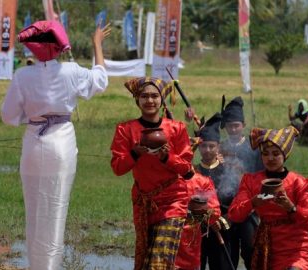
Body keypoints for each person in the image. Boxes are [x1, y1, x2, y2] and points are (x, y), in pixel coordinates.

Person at [0, 20, 111, 270]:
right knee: (56, 209)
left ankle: (37, 266)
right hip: (61, 140)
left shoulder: (22, 76)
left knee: (34, 211)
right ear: (60, 45)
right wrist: (97, 45)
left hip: (33, 139)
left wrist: (29, 116)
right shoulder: (71, 71)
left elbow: (8, 117)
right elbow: (100, 80)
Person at [110, 77, 194, 270]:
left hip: (173, 200)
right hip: (143, 202)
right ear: (137, 100)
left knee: (158, 261)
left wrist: (167, 158)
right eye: (144, 96)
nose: (150, 101)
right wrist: (134, 153)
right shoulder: (126, 129)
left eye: (154, 96)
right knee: (144, 262)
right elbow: (117, 168)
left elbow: (187, 169)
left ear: (162, 99)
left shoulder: (177, 128)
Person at [228, 126, 308, 269]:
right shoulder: (251, 180)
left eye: (276, 154)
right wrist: (253, 202)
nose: (270, 158)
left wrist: (291, 208)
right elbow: (234, 214)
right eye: (265, 154)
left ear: (284, 155)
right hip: (266, 249)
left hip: (296, 249)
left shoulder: (299, 183)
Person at [219, 95, 262, 269]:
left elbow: (260, 173)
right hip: (225, 206)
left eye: (236, 126)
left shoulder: (254, 148)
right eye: (230, 126)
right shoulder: (219, 148)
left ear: (243, 126)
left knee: (250, 249)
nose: (233, 129)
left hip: (247, 206)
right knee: (228, 252)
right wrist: (217, 164)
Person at [176, 115, 223, 270]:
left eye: (186, 156)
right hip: (170, 235)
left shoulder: (202, 181)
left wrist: (203, 211)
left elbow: (215, 210)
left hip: (193, 238)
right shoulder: (166, 180)